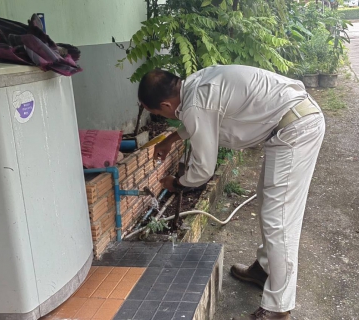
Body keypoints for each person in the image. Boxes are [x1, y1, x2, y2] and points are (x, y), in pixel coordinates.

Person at [138, 65, 325, 320]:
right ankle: (265, 269)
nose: (168, 117)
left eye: (159, 113)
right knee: (267, 206)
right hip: (290, 122)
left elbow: (203, 171)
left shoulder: (195, 104)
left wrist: (178, 183)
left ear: (166, 105)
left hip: (295, 130)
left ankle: (278, 308)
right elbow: (202, 119)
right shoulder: (195, 84)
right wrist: (171, 139)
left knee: (279, 220)